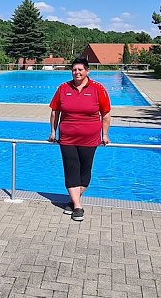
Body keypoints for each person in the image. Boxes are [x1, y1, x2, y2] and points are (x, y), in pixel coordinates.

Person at [48, 56, 112, 222]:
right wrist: (53, 132)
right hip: (67, 137)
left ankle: (73, 199)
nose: (77, 72)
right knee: (71, 169)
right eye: (74, 70)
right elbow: (55, 111)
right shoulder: (63, 88)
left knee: (85, 172)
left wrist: (105, 134)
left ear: (87, 71)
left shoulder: (98, 89)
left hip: (90, 138)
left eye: (80, 70)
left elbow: (106, 114)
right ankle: (78, 206)